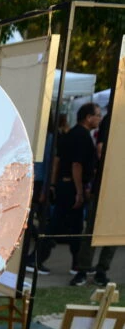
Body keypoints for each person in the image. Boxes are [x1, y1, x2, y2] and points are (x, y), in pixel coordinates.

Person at [36, 102, 101, 275]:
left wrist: (53, 183)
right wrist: (79, 191)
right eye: (97, 115)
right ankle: (37, 259)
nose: (99, 119)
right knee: (60, 225)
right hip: (71, 187)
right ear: (88, 117)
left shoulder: (70, 133)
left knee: (72, 226)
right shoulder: (82, 136)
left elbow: (57, 161)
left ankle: (76, 263)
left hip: (65, 185)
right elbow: (76, 165)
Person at [70, 110, 118, 287]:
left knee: (114, 231)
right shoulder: (113, 117)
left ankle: (101, 270)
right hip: (105, 184)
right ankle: (83, 269)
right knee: (92, 228)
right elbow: (100, 148)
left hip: (118, 188)